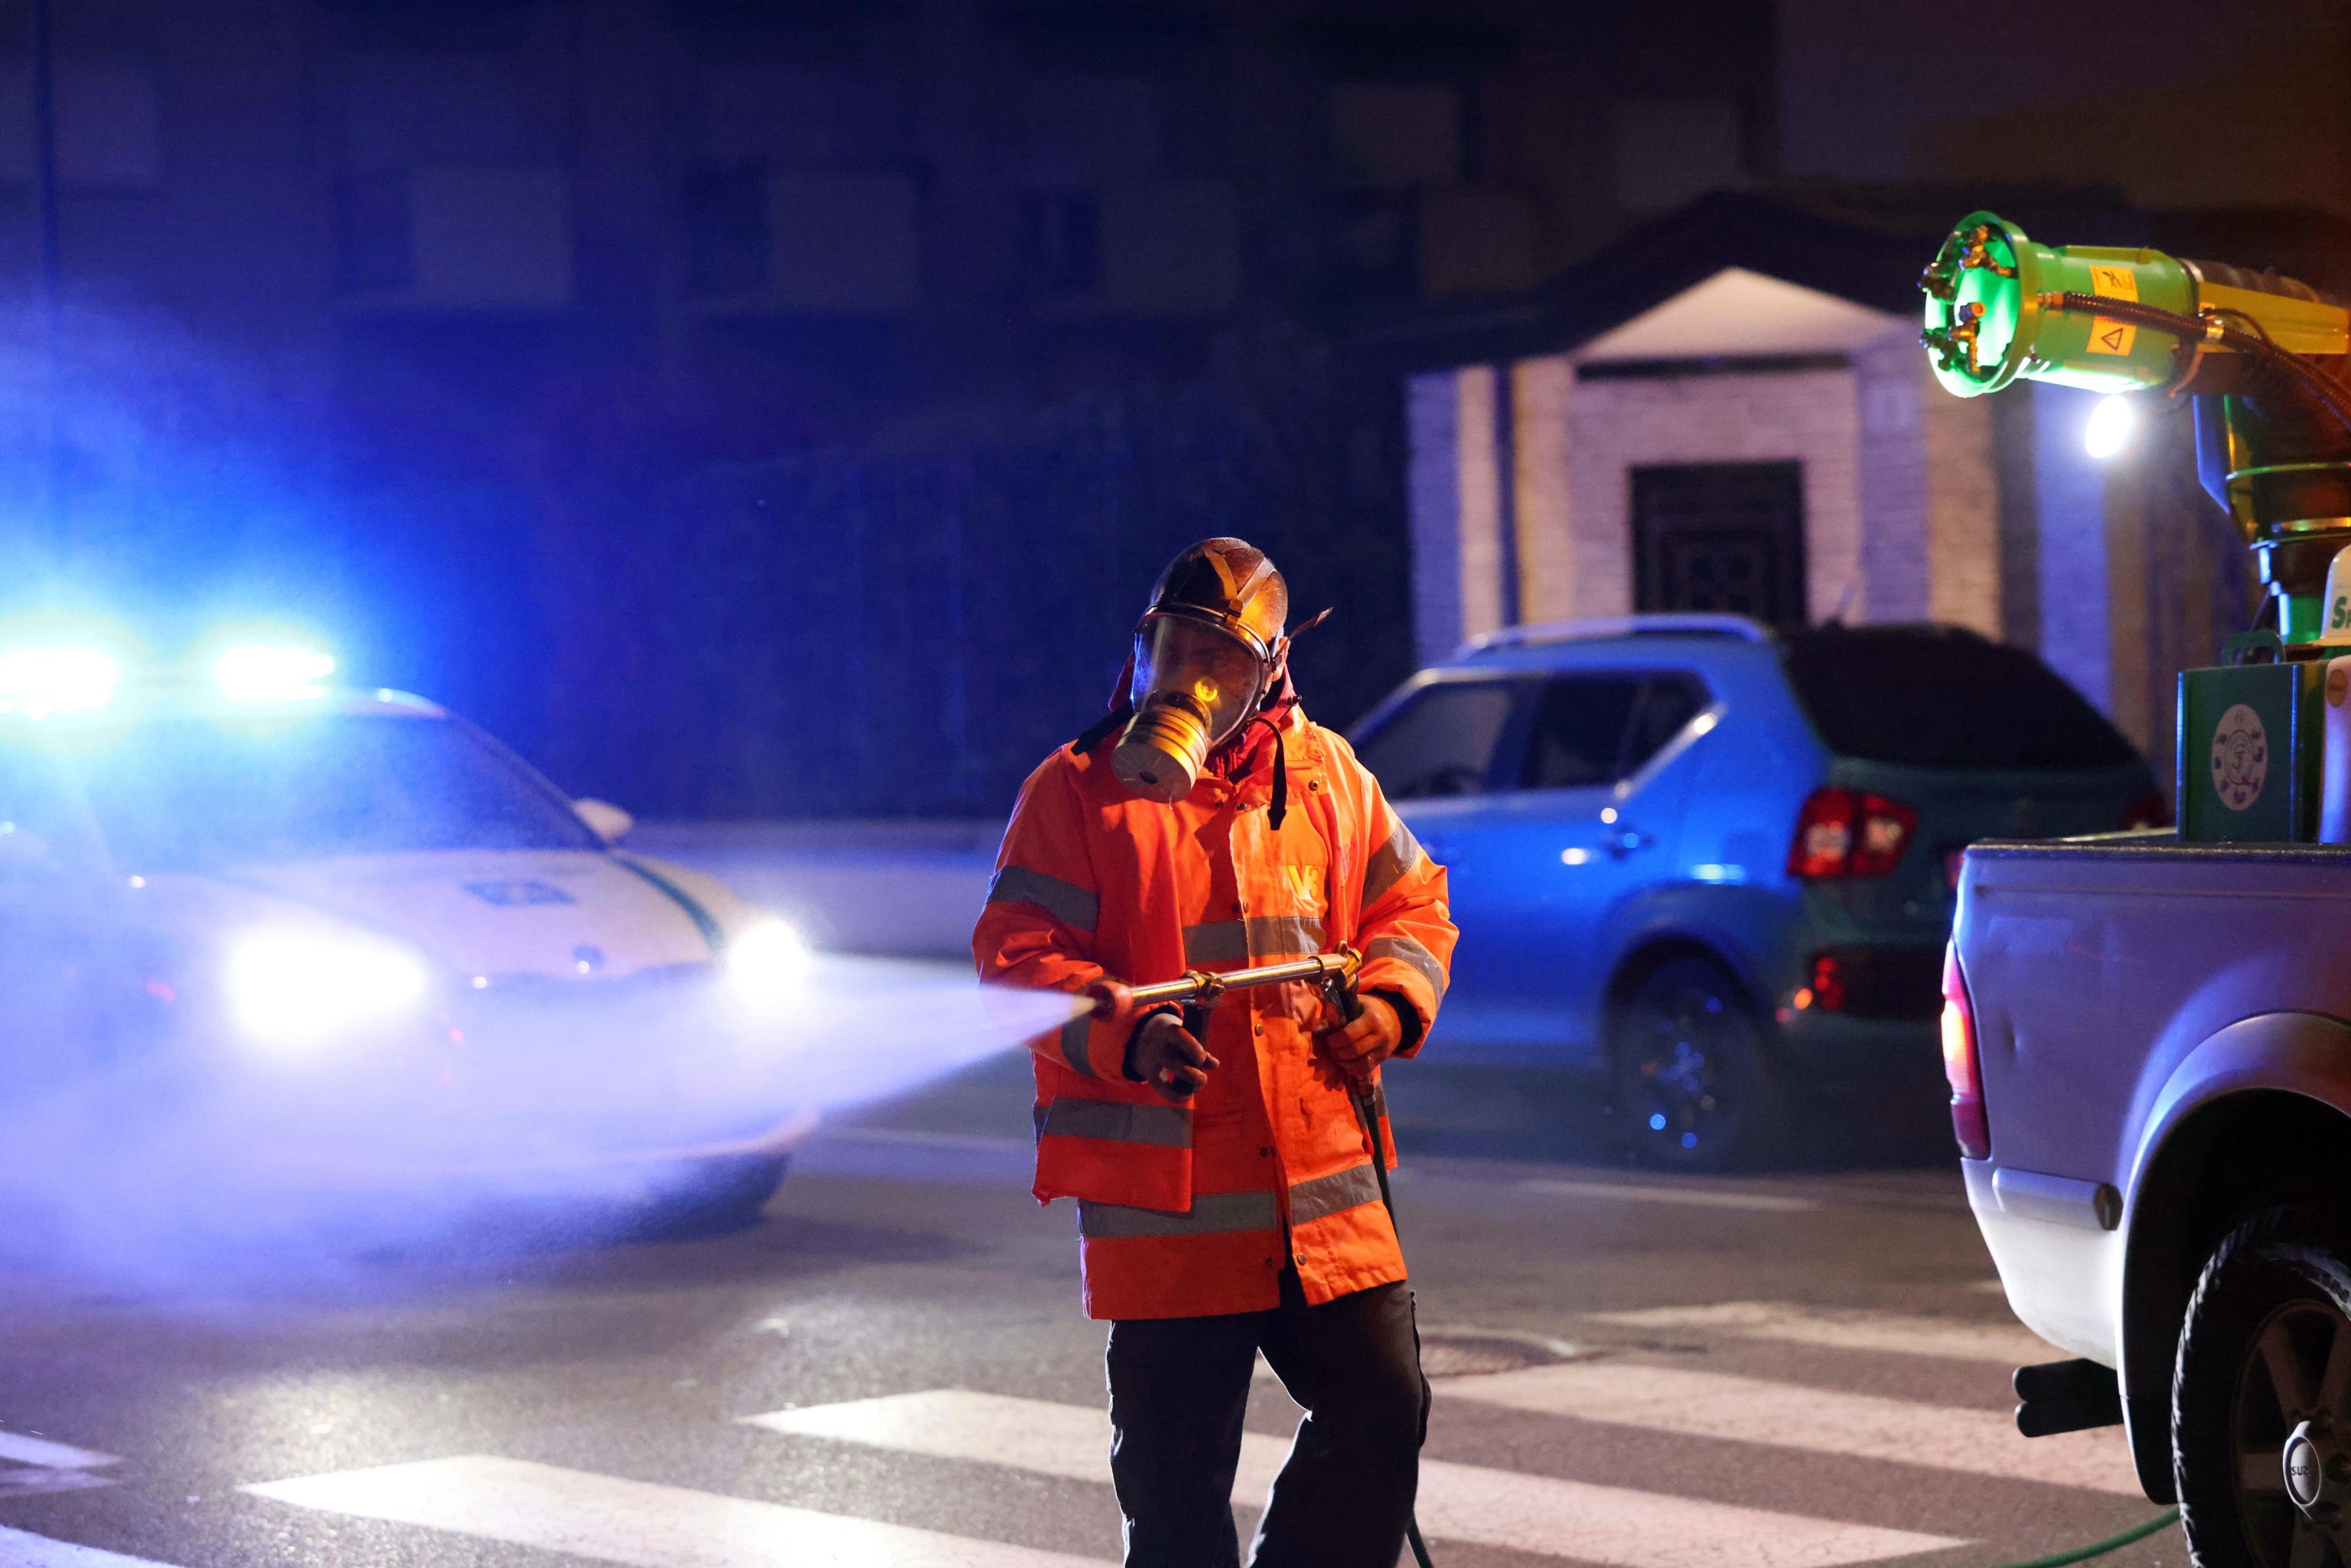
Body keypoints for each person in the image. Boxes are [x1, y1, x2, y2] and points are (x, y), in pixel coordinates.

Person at [973, 537, 1457, 1567]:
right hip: (1170, 1213)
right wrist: (1130, 1032)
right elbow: (1016, 959)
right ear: (1143, 648)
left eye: (1222, 658)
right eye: (1175, 647)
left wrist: (1388, 997)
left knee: (1382, 1410)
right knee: (1177, 1501)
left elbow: (1411, 905)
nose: (1193, 679)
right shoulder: (1074, 791)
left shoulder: (1329, 775)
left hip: (1321, 1199)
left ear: (1274, 666)